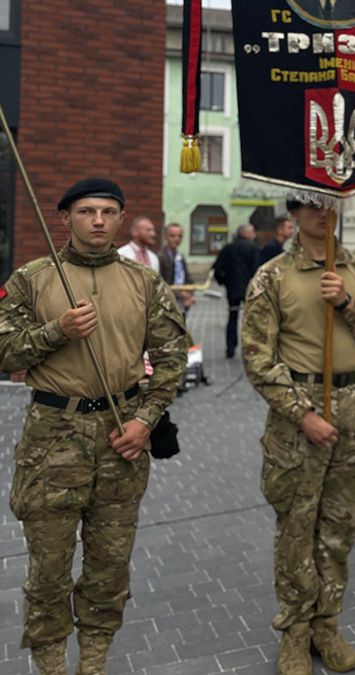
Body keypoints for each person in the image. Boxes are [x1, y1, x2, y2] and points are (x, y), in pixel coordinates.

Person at [0, 178, 189, 674]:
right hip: (53, 437)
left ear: (120, 219)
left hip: (120, 436)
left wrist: (145, 421)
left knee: (109, 564)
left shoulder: (144, 282)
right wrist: (54, 333)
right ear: (65, 218)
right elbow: (3, 350)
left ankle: (94, 658)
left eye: (108, 211)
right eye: (87, 211)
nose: (98, 220)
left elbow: (172, 359)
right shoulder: (33, 279)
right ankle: (50, 662)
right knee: (49, 567)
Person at [241, 194, 355, 674]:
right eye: (309, 204)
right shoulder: (272, 276)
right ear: (293, 214)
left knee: (339, 528)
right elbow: (256, 357)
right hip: (300, 413)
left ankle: (327, 624)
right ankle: (295, 630)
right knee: (297, 528)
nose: (320, 212)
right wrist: (302, 412)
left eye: (328, 203)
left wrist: (347, 304)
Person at [213, 224, 260, 359]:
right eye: (253, 232)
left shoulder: (228, 248)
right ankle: (251, 348)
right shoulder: (254, 248)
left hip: (233, 289)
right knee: (251, 319)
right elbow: (258, 269)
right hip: (250, 289)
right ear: (247, 233)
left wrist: (224, 282)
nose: (254, 234)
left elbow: (217, 268)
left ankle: (230, 348)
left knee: (232, 318)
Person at [158, 222, 194, 316]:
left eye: (180, 236)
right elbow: (161, 282)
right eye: (173, 236)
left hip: (181, 303)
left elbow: (187, 277)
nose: (177, 239)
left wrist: (190, 293)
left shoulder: (180, 256)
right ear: (166, 237)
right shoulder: (161, 256)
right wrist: (180, 294)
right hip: (167, 304)